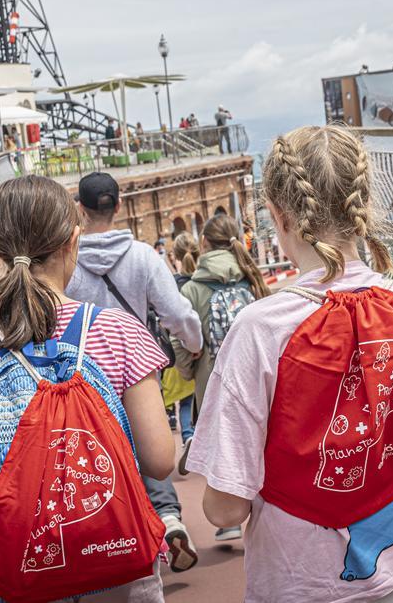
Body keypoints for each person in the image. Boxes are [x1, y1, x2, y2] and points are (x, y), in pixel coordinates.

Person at [186, 124, 393, 601]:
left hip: (299, 576)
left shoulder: (259, 330)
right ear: (364, 207)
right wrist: (390, 488)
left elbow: (225, 509)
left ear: (277, 215)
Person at [0, 175, 175, 602]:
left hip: (19, 576)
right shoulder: (117, 332)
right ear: (72, 241)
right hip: (116, 567)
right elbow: (160, 460)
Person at [64, 171, 204, 573]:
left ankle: (117, 533)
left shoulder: (68, 263)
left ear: (80, 209)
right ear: (119, 206)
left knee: (100, 454)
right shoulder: (143, 256)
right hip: (138, 367)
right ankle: (168, 516)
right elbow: (176, 313)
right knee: (150, 441)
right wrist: (193, 346)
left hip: (83, 371)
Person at [173, 214, 269, 543]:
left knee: (223, 449)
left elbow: (182, 336)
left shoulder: (193, 288)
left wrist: (187, 369)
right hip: (258, 376)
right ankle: (265, 509)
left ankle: (228, 520)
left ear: (204, 244)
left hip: (213, 379)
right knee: (261, 442)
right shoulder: (252, 277)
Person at [163, 231, 199, 471]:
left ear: (174, 257)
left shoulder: (172, 286)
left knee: (174, 401)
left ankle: (183, 433)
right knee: (191, 401)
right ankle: (191, 434)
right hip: (198, 353)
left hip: (176, 356)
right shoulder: (201, 281)